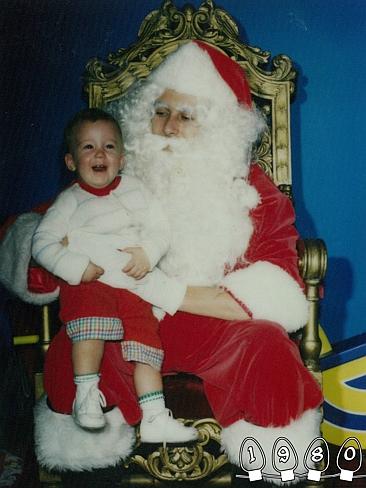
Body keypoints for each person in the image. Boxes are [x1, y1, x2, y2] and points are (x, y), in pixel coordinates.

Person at [0, 41, 323, 482]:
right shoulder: (119, 176)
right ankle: (93, 472)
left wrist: (164, 289)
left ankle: (274, 471)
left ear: (218, 128)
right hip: (127, 325)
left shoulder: (255, 193)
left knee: (271, 355)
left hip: (219, 330)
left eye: (186, 116)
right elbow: (37, 237)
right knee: (65, 360)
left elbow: (279, 287)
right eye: (160, 112)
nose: (168, 128)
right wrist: (50, 258)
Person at [31, 108, 197, 441]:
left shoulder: (135, 189)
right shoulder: (69, 202)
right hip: (92, 279)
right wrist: (76, 267)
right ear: (71, 161)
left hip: (133, 283)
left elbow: (159, 226)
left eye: (108, 147)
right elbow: (42, 243)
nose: (99, 154)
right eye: (88, 147)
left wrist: (148, 253)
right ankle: (86, 396)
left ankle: (154, 416)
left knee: (146, 342)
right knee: (88, 326)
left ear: (121, 159)